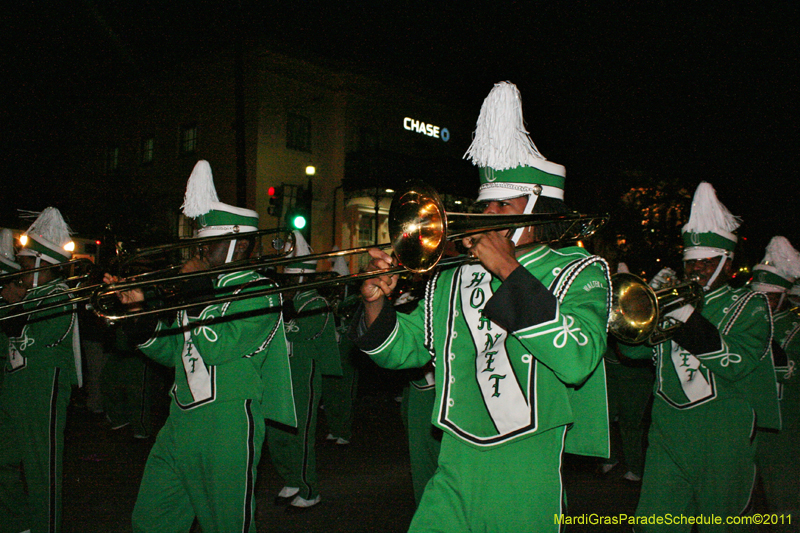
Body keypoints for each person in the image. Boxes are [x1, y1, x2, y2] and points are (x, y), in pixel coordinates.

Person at [351, 81, 611, 532]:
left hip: (526, 469)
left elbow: (578, 358)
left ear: (536, 210)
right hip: (454, 461)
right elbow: (405, 351)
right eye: (483, 204)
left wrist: (510, 272)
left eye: (500, 205)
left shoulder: (581, 269)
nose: (485, 214)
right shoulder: (454, 273)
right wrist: (377, 304)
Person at [105, 160, 296, 532]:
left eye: (208, 245)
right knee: (150, 521)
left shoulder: (261, 291)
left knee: (227, 526)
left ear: (238, 245)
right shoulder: (204, 290)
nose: (199, 253)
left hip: (227, 424)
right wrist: (139, 314)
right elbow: (174, 351)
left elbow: (216, 345)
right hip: (179, 419)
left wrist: (192, 291)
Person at [618, 182, 780, 532]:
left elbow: (736, 362)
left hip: (723, 439)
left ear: (727, 261)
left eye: (707, 263)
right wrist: (644, 306)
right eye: (691, 262)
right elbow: (632, 351)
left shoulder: (748, 304)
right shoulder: (671, 300)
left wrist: (689, 318)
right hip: (667, 435)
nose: (697, 270)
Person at [0, 208, 82, 533]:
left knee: (41, 470)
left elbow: (30, 333)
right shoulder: (26, 293)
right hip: (14, 391)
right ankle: (16, 523)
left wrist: (14, 305)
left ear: (43, 265)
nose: (19, 271)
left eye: (25, 264)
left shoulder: (60, 295)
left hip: (42, 390)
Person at [267, 231, 341, 513]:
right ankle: (292, 478)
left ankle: (310, 489)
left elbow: (300, 331)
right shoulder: (283, 301)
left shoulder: (316, 303)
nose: (284, 283)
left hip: (303, 376)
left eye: (289, 277)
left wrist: (283, 312)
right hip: (279, 377)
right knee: (277, 433)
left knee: (301, 436)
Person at [749, 236, 800, 528]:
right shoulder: (746, 320)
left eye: (769, 297)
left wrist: (766, 343)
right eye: (758, 296)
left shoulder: (795, 326)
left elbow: (792, 371)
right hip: (748, 422)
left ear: (782, 296)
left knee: (783, 502)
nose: (762, 303)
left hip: (783, 429)